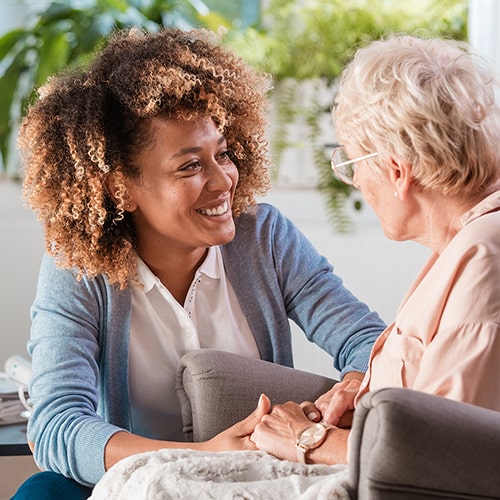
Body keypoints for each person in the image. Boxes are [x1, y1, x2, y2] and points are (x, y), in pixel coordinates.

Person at [12, 27, 385, 498]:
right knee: (42, 491)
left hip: (249, 481)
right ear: (119, 187)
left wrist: (351, 387)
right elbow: (57, 425)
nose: (223, 179)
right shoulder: (79, 269)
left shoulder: (264, 237)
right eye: (190, 166)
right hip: (138, 481)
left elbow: (367, 340)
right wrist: (203, 455)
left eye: (223, 154)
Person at [250, 34, 500, 466]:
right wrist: (364, 396)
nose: (357, 183)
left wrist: (307, 439)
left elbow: (447, 458)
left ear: (398, 171)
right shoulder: (460, 245)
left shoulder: (485, 258)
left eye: (351, 164)